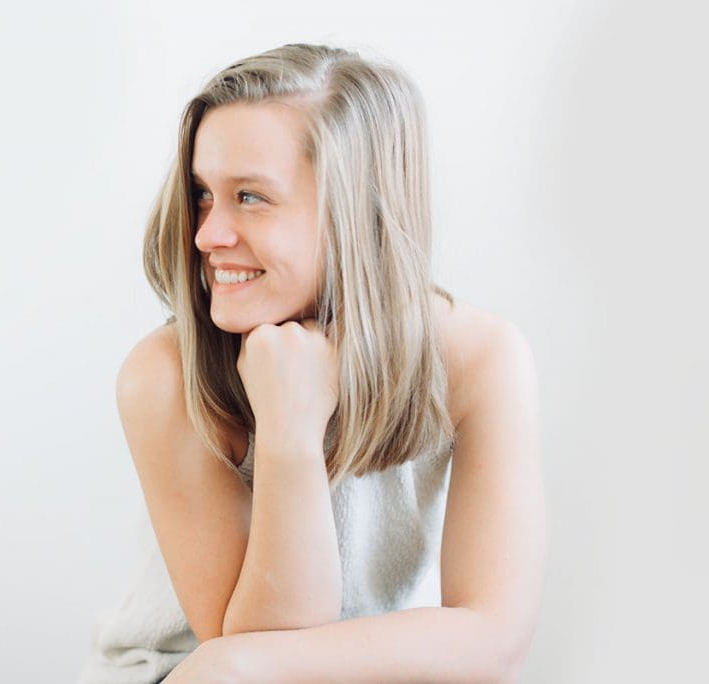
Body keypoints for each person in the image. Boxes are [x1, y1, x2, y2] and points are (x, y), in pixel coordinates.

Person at [77, 42, 545, 683]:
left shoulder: (481, 358)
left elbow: (494, 643)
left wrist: (240, 664)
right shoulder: (163, 375)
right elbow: (251, 660)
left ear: (360, 213)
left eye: (250, 197)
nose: (206, 234)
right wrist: (289, 433)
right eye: (204, 193)